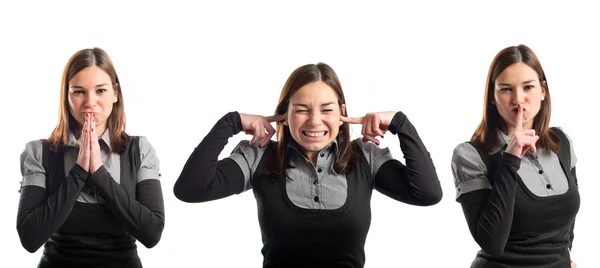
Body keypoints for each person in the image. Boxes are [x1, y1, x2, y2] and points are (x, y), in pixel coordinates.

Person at [173, 62, 442, 267]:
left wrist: (399, 122)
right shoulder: (258, 156)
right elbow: (191, 189)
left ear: (342, 114)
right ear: (284, 115)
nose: (314, 121)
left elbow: (427, 193)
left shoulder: (366, 157)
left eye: (326, 110)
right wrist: (230, 122)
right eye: (301, 109)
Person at [17, 47, 165, 268]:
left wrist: (99, 173)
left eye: (100, 90)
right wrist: (78, 173)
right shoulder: (39, 153)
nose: (89, 102)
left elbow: (152, 234)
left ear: (115, 94)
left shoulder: (139, 150)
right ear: (66, 96)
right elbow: (30, 238)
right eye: (78, 91)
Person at [451, 44, 579, 268]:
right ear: (492, 96)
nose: (518, 99)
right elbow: (492, 243)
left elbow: (567, 222)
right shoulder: (471, 155)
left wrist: (565, 257)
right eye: (505, 89)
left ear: (543, 90)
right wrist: (510, 159)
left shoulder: (562, 143)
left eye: (528, 87)